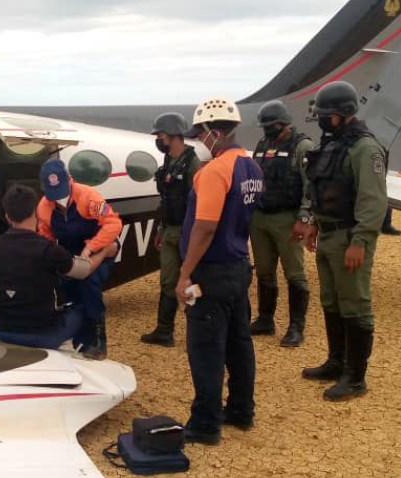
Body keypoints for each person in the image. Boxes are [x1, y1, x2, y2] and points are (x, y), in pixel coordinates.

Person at [177, 96, 263, 445]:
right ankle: (241, 410)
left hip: (211, 271)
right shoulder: (252, 166)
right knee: (239, 343)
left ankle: (205, 423)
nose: (200, 140)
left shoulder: (214, 170)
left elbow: (205, 227)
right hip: (238, 266)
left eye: (201, 134)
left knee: (206, 348)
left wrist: (185, 274)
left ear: (214, 132)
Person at [302, 81, 387, 401]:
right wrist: (312, 223)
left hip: (349, 236)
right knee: (331, 301)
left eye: (328, 114)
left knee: (355, 304)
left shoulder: (365, 148)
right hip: (328, 234)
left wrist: (360, 242)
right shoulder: (333, 145)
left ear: (343, 114)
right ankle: (336, 362)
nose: (323, 119)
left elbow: (373, 201)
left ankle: (355, 377)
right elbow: (319, 189)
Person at [0, 184, 118, 349]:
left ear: (7, 217)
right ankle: (89, 350)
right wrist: (105, 252)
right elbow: (84, 272)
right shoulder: (47, 248)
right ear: (35, 213)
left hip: (0, 332)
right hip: (42, 335)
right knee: (84, 307)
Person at [37, 157, 123, 359]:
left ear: (69, 179)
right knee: (67, 288)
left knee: (89, 284)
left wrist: (92, 246)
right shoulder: (43, 207)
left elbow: (113, 224)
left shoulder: (89, 196)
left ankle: (98, 341)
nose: (59, 199)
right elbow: (46, 234)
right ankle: (78, 340)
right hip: (69, 248)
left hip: (99, 242)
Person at [248, 100, 314, 347]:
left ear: (283, 123)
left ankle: (296, 326)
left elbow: (311, 186)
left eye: (270, 125)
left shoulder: (302, 146)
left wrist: (304, 218)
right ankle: (265, 319)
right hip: (261, 217)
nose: (266, 129)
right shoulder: (263, 145)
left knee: (294, 273)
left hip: (288, 218)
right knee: (264, 270)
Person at [141, 113, 201, 347]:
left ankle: (197, 326)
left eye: (161, 134)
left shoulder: (192, 163)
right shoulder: (168, 162)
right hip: (169, 230)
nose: (158, 139)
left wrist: (194, 235)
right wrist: (160, 228)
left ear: (174, 134)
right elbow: (166, 200)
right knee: (167, 281)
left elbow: (198, 202)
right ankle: (164, 330)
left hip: (187, 231)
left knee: (191, 281)